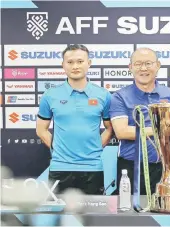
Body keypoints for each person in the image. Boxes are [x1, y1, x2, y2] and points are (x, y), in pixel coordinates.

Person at [36, 44, 113, 195]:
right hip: (60, 168)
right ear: (63, 65)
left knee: (93, 218)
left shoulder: (103, 95)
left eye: (80, 61)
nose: (75, 66)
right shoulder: (50, 95)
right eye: (70, 62)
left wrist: (97, 147)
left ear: (89, 63)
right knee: (58, 217)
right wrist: (57, 148)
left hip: (92, 168)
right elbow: (41, 129)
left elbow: (110, 128)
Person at [109, 47, 170, 195]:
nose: (143, 68)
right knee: (129, 213)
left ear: (157, 65)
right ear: (130, 67)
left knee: (162, 212)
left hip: (163, 166)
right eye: (138, 64)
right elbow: (122, 132)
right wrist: (159, 130)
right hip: (130, 166)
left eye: (148, 63)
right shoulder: (120, 96)